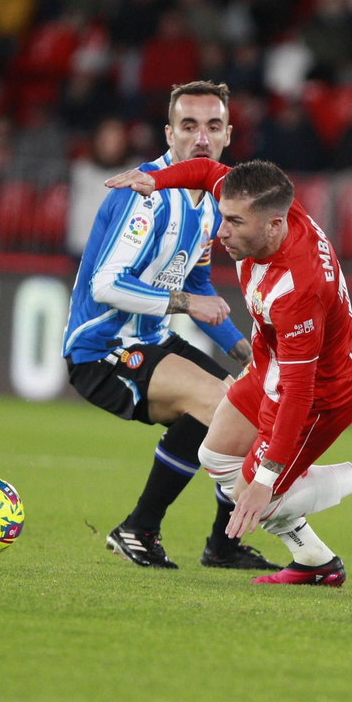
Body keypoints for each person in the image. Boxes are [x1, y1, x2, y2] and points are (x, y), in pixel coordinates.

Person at [106, 158, 352, 587]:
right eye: (222, 216)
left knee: (258, 495)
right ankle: (315, 562)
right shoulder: (273, 208)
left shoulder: (296, 290)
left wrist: (265, 481)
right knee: (214, 456)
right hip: (274, 367)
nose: (222, 231)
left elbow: (298, 394)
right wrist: (154, 180)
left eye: (234, 222)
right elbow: (207, 169)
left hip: (323, 392)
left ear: (273, 225)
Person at [62, 81, 277, 572]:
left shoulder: (209, 201)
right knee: (224, 405)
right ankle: (139, 528)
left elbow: (198, 283)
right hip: (102, 346)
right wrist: (184, 303)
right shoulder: (147, 193)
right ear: (169, 133)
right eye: (189, 126)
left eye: (213, 126)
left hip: (152, 339)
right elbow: (106, 286)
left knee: (251, 408)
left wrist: (247, 352)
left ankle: (223, 545)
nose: (201, 137)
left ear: (227, 136)